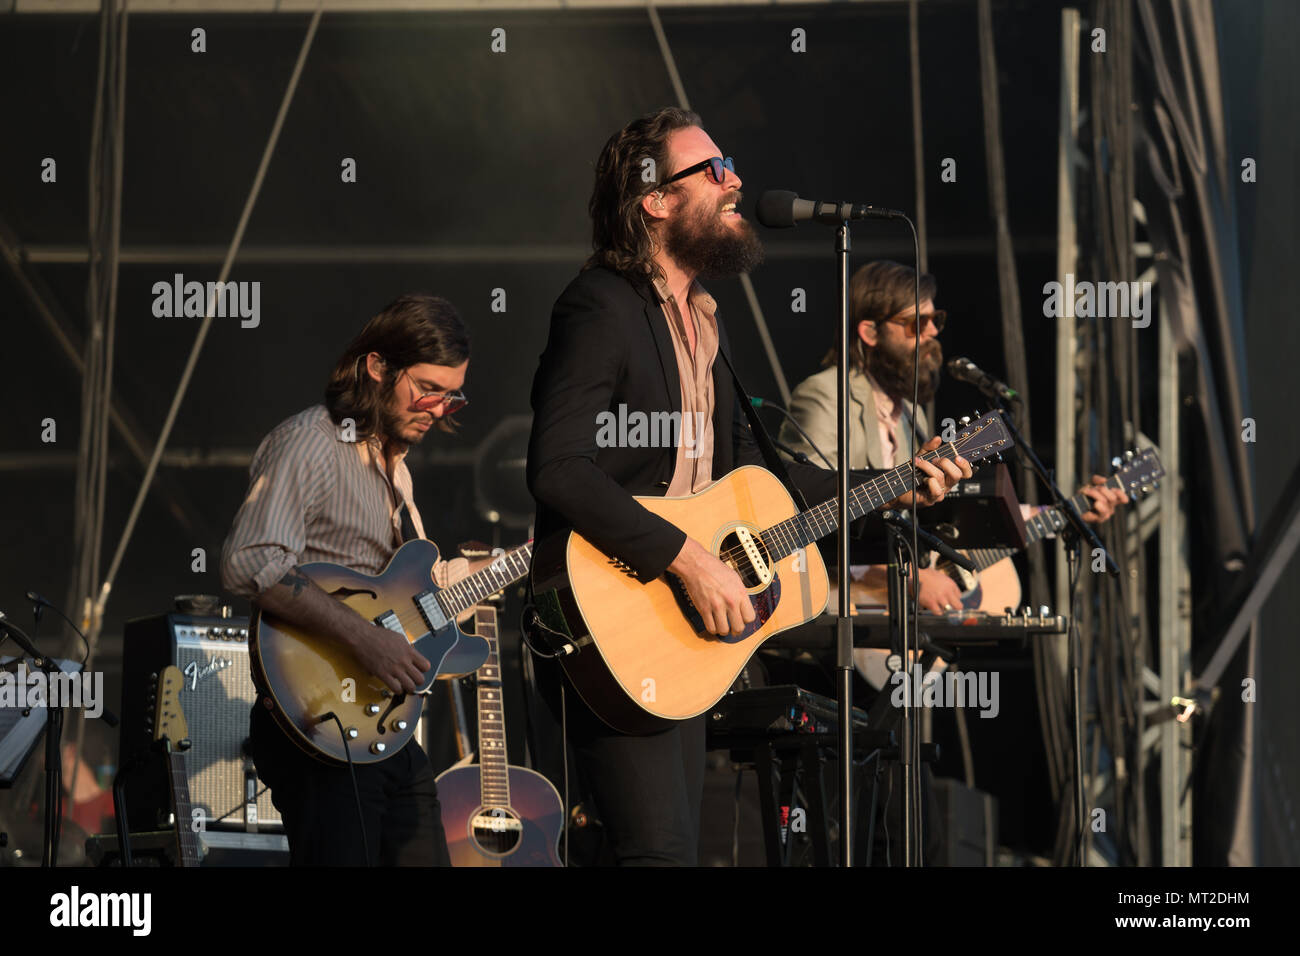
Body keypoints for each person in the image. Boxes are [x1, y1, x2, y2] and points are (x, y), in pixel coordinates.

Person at [525, 109, 971, 865]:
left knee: (670, 852)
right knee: (656, 856)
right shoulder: (601, 304)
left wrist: (893, 485)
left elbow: (756, 476)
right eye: (711, 168)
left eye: (728, 162)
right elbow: (558, 468)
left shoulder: (705, 317)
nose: (735, 179)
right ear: (655, 199)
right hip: (612, 614)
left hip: (681, 630)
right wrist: (689, 560)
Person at [219, 293, 474, 866]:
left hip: (386, 724)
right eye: (427, 389)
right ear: (378, 367)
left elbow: (411, 599)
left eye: (451, 398)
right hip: (321, 719)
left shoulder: (397, 473)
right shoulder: (313, 441)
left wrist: (494, 571)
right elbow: (250, 560)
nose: (437, 409)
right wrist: (366, 639)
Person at [778, 259, 1128, 615]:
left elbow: (948, 518)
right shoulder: (825, 394)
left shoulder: (911, 414)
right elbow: (805, 510)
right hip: (832, 608)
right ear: (870, 333)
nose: (932, 332)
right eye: (917, 323)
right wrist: (909, 577)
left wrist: (1068, 511)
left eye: (936, 321)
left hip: (895, 620)